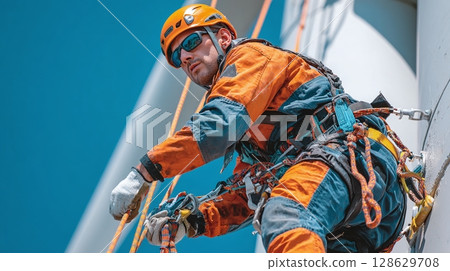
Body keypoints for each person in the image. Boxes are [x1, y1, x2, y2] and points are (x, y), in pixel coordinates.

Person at [109, 4, 406, 252]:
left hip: (349, 161)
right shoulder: (254, 135)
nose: (185, 57)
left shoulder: (251, 58)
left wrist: (145, 171)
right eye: (177, 57)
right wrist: (193, 219)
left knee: (284, 215)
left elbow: (217, 125)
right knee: (286, 228)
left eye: (191, 42)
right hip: (361, 210)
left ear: (223, 37)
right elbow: (247, 193)